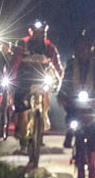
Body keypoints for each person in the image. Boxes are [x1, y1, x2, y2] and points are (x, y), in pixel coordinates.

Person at [57, 30, 95, 178]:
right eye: (79, 48)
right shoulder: (70, 65)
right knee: (71, 120)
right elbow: (65, 83)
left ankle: (92, 167)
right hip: (74, 103)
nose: (83, 51)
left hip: (91, 103)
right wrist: (62, 96)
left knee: (93, 133)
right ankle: (70, 135)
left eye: (85, 48)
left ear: (90, 49)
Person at [12, 20, 63, 155]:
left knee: (45, 103)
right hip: (24, 80)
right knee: (22, 111)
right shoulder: (23, 44)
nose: (40, 35)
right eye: (37, 32)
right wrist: (12, 77)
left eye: (43, 33)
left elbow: (57, 66)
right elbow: (15, 62)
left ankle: (39, 130)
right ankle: (23, 142)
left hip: (41, 80)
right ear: (31, 32)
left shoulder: (50, 47)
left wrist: (60, 81)